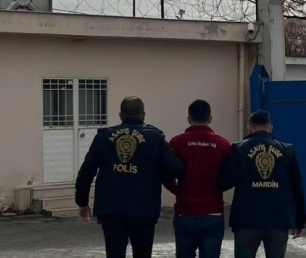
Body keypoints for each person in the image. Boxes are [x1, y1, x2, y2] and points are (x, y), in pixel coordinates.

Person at [75, 96, 184, 258]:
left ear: (121, 115)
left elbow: (86, 173)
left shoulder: (104, 136)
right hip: (144, 208)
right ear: (143, 115)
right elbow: (175, 169)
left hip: (111, 209)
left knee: (114, 253)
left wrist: (82, 203)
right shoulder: (155, 138)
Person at [219, 110, 306, 258]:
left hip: (246, 220)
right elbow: (297, 188)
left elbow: (224, 182)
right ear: (271, 128)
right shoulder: (287, 150)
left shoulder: (239, 149)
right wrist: (300, 221)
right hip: (278, 220)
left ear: (249, 128)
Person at [163, 99, 232, 258]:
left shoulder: (176, 142)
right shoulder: (223, 145)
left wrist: (178, 190)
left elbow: (166, 175)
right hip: (213, 212)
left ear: (189, 119)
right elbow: (230, 177)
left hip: (185, 211)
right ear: (210, 118)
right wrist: (217, 190)